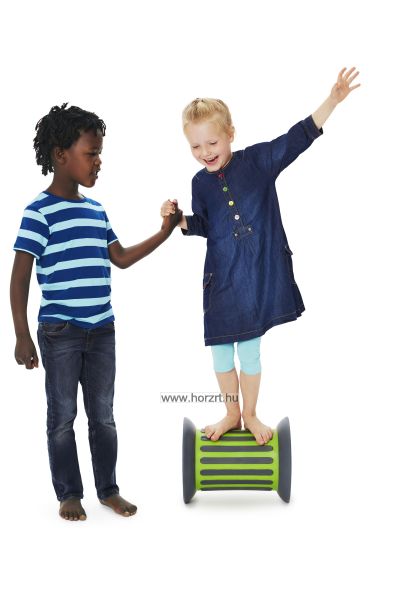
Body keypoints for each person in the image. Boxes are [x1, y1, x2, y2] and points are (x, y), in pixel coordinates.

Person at [161, 67, 361, 444]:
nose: (205, 153)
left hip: (255, 277)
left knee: (250, 354)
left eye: (212, 143)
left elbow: (296, 138)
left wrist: (332, 101)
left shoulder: (258, 162)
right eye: (195, 147)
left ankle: (250, 414)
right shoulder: (199, 182)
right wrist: (178, 220)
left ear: (230, 134)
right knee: (221, 356)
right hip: (221, 281)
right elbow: (205, 224)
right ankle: (231, 413)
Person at [10, 103, 182, 521]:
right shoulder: (38, 213)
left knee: (103, 416)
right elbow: (19, 279)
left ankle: (109, 489)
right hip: (60, 332)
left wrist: (164, 232)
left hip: (102, 330)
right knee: (62, 417)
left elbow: (119, 258)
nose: (98, 161)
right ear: (60, 155)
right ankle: (69, 493)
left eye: (99, 153)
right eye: (91, 153)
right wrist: (22, 334)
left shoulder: (96, 210)